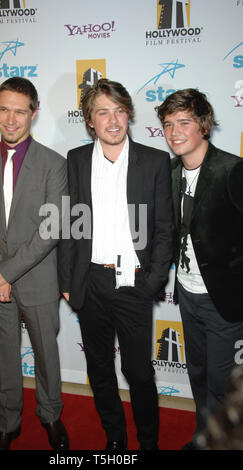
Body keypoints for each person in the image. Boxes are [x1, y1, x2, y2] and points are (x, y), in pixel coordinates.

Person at [59, 78, 174, 450]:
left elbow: (163, 229)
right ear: (90, 120)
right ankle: (115, 439)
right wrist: (67, 278)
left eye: (119, 111)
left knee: (139, 373)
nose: (113, 120)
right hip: (90, 281)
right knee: (100, 370)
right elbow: (69, 223)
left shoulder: (155, 161)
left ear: (129, 115)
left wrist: (153, 282)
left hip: (134, 283)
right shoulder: (75, 160)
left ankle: (149, 442)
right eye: (102, 112)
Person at [0, 77, 69, 450]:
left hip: (38, 279)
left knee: (46, 355)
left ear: (34, 113)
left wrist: (6, 271)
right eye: (4, 109)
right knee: (2, 353)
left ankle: (51, 416)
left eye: (20, 111)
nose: (11, 119)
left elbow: (52, 227)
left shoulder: (55, 164)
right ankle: (7, 424)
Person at [156, 88, 243, 450]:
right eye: (168, 124)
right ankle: (204, 435)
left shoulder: (232, 170)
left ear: (204, 125)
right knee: (198, 374)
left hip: (224, 301)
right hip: (188, 296)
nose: (175, 131)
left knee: (223, 382)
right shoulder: (171, 171)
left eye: (184, 122)